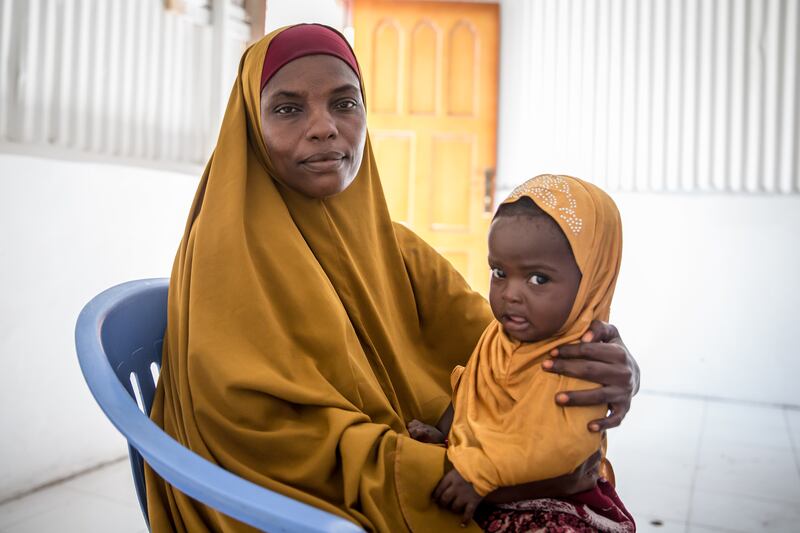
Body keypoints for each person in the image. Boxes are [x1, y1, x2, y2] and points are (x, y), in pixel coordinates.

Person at [144, 24, 640, 533]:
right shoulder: (227, 256)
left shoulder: (391, 247)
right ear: (251, 123)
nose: (324, 127)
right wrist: (499, 476)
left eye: (345, 103)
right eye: (288, 109)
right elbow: (262, 432)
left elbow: (498, 345)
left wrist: (595, 366)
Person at [408, 175, 635, 531]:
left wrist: (480, 475)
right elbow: (472, 393)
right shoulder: (497, 337)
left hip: (553, 501)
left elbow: (565, 449)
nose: (510, 294)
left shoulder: (582, 361)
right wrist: (446, 436)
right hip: (478, 480)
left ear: (591, 281)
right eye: (499, 272)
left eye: (538, 280)